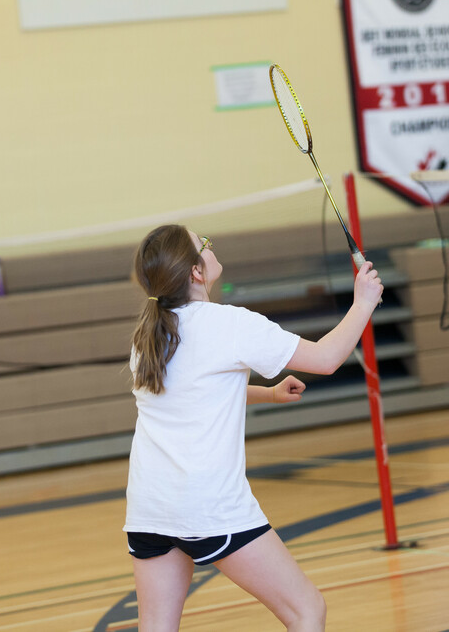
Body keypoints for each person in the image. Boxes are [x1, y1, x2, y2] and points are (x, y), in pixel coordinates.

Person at [125, 225, 383, 631]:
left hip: (149, 509)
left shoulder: (149, 336)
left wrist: (269, 394)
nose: (212, 245)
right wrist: (363, 303)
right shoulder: (229, 324)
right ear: (195, 271)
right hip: (209, 507)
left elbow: (197, 393)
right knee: (306, 611)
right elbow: (326, 358)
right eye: (204, 244)